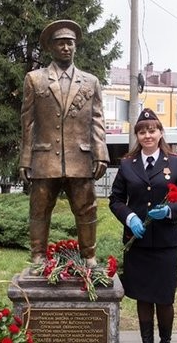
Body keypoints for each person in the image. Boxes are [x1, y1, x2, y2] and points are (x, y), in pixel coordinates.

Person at [109, 108, 177, 343]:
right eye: (142, 131)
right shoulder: (127, 164)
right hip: (138, 243)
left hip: (165, 242)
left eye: (152, 130)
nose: (147, 135)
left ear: (160, 133)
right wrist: (130, 217)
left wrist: (170, 210)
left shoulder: (176, 162)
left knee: (164, 298)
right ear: (137, 135)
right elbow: (115, 200)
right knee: (143, 298)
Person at [19, 19, 109, 267]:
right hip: (44, 158)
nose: (66, 48)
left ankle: (88, 256)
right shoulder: (34, 79)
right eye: (60, 43)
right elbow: (28, 123)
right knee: (39, 210)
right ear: (51, 47)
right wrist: (26, 159)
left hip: (80, 157)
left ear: (76, 46)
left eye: (70, 43)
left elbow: (97, 119)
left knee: (87, 209)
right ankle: (38, 256)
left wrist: (100, 153)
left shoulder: (91, 82)